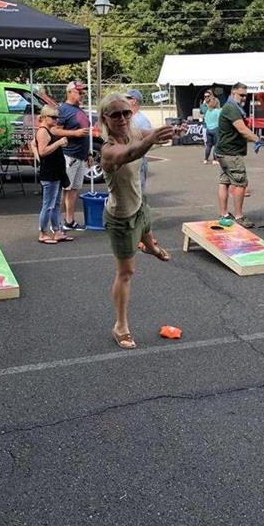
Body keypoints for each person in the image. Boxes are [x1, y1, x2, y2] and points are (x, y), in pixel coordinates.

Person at [99, 93, 176, 350]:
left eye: (125, 113)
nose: (121, 118)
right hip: (121, 218)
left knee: (146, 226)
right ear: (105, 119)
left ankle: (150, 246)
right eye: (115, 114)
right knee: (126, 272)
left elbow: (147, 134)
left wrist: (171, 130)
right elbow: (131, 153)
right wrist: (152, 139)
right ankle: (120, 325)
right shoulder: (108, 150)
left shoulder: (133, 131)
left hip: (139, 206)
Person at [214, 82, 259, 228]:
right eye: (241, 95)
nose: (244, 98)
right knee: (240, 183)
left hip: (223, 151)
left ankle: (224, 213)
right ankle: (239, 216)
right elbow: (242, 129)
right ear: (233, 93)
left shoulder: (231, 107)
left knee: (224, 182)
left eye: (246, 96)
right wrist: (260, 140)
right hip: (231, 153)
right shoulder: (232, 108)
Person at [51, 80, 93, 231]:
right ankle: (56, 223)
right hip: (69, 155)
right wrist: (73, 133)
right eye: (79, 92)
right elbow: (55, 130)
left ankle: (69, 221)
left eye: (82, 92)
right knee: (65, 189)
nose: (82, 95)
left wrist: (88, 153)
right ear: (69, 92)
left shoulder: (79, 110)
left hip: (80, 156)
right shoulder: (63, 109)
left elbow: (85, 133)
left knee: (73, 189)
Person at [35, 105, 72, 244]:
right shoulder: (42, 131)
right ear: (44, 118)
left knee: (56, 204)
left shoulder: (48, 131)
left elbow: (35, 146)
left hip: (56, 173)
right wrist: (59, 143)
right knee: (48, 204)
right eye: (53, 117)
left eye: (57, 117)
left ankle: (56, 231)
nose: (56, 120)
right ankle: (43, 232)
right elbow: (43, 151)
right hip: (49, 174)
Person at [125, 89, 152, 193]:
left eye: (127, 98)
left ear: (134, 101)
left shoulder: (142, 120)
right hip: (127, 159)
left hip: (138, 160)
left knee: (138, 191)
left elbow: (148, 141)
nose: (124, 100)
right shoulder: (127, 118)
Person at [203, 91, 221, 164]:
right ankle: (215, 160)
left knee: (208, 145)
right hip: (216, 129)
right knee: (216, 145)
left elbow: (205, 120)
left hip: (208, 129)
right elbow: (220, 120)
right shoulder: (218, 111)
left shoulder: (208, 111)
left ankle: (205, 159)